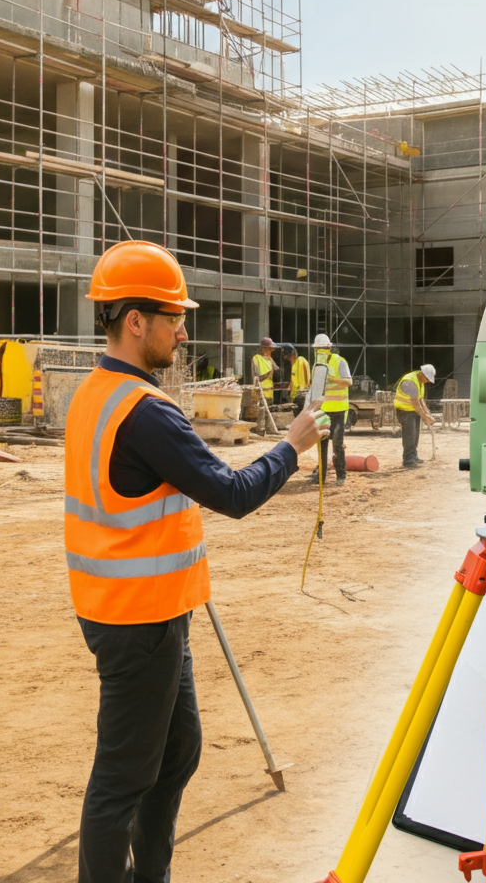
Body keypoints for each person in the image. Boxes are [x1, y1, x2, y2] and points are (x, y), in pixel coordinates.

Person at [64, 240, 328, 883]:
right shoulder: (146, 413)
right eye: (175, 318)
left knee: (178, 752)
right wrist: (290, 448)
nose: (184, 331)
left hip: (139, 611)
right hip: (139, 620)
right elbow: (232, 494)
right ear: (135, 321)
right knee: (121, 781)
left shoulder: (96, 393)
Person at [309, 333, 352, 484]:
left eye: (322, 348)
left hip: (339, 410)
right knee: (321, 443)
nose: (319, 351)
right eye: (317, 349)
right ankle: (321, 476)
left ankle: (341, 475)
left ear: (328, 348)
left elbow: (348, 382)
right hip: (323, 410)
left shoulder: (339, 362)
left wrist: (330, 378)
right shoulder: (316, 366)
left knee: (337, 444)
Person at [393, 364, 436, 468]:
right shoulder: (410, 382)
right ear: (422, 374)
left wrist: (427, 414)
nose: (428, 381)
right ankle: (408, 459)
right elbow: (415, 402)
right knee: (409, 435)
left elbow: (421, 400)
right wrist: (425, 417)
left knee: (415, 435)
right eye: (427, 378)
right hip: (405, 411)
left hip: (413, 411)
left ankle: (413, 456)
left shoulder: (419, 382)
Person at [282, 343, 311, 410]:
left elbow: (303, 380)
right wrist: (290, 386)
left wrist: (302, 393)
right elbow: (293, 378)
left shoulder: (300, 361)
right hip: (295, 396)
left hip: (301, 396)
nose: (289, 359)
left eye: (289, 357)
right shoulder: (294, 364)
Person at [251, 337, 278, 406]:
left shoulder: (270, 360)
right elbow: (256, 379)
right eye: (268, 349)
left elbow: (277, 372)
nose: (270, 351)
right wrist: (268, 373)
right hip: (261, 394)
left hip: (270, 393)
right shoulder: (257, 358)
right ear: (263, 349)